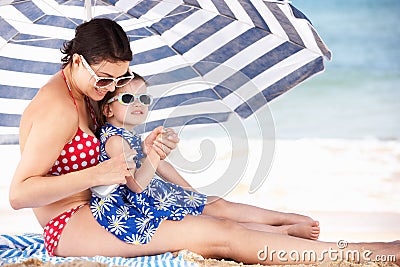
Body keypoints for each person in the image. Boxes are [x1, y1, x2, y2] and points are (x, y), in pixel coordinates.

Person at [9, 18, 399, 265]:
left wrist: (145, 152)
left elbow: (116, 152)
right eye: (105, 79)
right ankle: (368, 254)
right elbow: (20, 194)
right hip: (72, 224)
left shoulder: (87, 92)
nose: (111, 89)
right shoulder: (56, 110)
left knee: (215, 212)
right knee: (220, 236)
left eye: (120, 80)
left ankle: (349, 248)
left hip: (111, 203)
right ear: (77, 62)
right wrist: (98, 172)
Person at [89, 73, 322, 247]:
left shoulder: (130, 137)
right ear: (108, 110)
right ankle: (284, 231)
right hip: (139, 207)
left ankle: (283, 219)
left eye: (144, 98)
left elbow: (162, 165)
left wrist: (191, 191)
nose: (138, 103)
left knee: (215, 205)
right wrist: (154, 153)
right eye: (128, 98)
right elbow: (135, 185)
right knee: (214, 219)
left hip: (154, 196)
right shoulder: (115, 141)